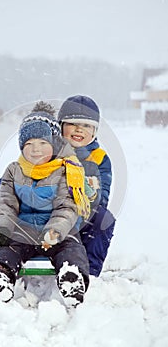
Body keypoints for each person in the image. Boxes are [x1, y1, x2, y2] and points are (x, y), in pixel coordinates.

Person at [0, 110, 91, 308]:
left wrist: (55, 231)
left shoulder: (64, 171)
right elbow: (5, 202)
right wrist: (3, 229)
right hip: (22, 231)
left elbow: (67, 206)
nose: (36, 150)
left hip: (57, 233)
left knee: (71, 249)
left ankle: (72, 279)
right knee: (7, 250)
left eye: (43, 143)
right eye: (29, 144)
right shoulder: (14, 170)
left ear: (54, 144)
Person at [57, 95, 116, 278]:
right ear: (61, 126)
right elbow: (20, 173)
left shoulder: (99, 158)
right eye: (73, 123)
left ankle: (89, 272)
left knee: (104, 218)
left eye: (87, 126)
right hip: (49, 216)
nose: (79, 130)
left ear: (95, 131)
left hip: (82, 218)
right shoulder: (48, 150)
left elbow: (102, 195)